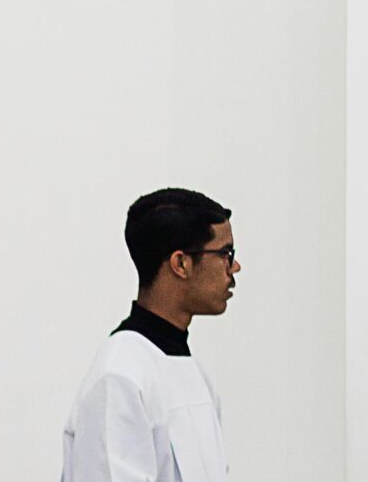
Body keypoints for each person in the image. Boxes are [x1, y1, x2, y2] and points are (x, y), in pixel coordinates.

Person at [62, 187, 240, 482]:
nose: (234, 267)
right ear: (181, 264)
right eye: (225, 253)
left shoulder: (195, 374)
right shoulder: (120, 376)